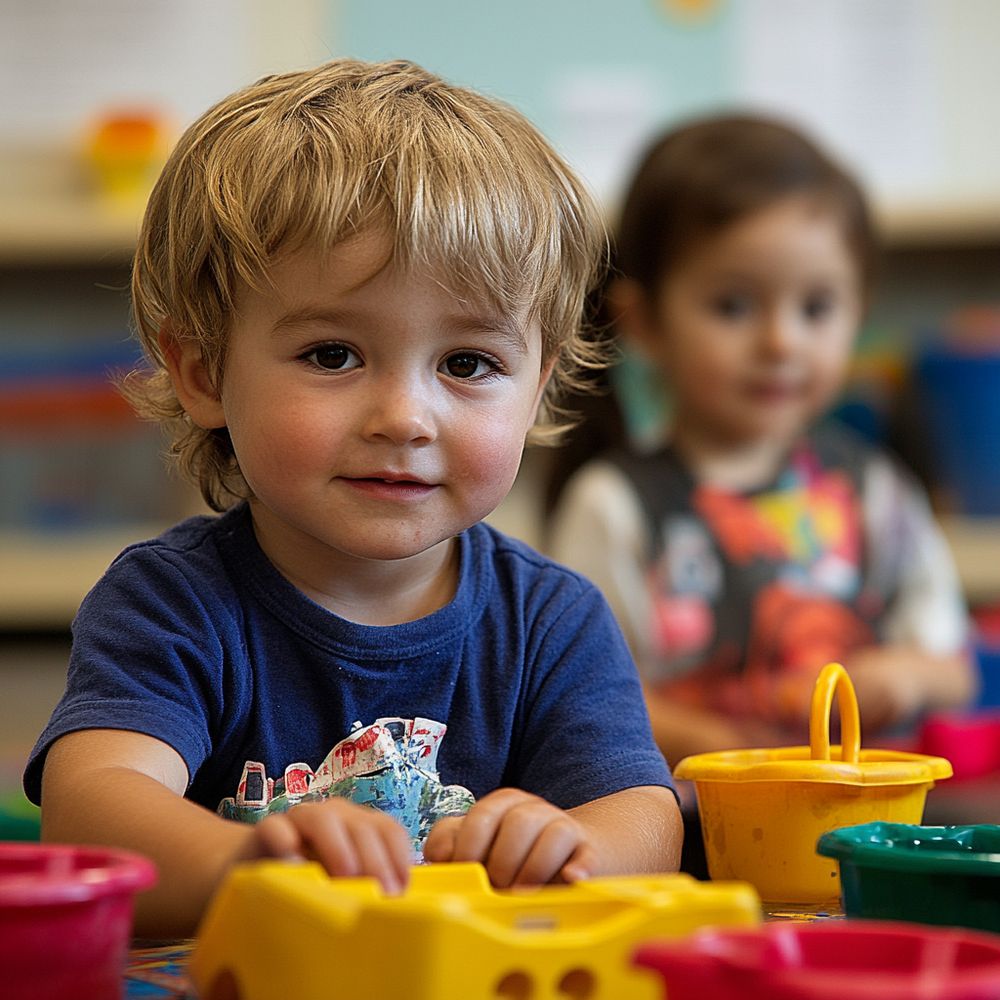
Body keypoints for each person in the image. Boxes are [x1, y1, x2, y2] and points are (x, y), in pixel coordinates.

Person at [23, 59, 682, 938]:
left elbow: (648, 818)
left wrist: (573, 846)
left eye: (468, 364)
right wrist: (250, 867)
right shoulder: (169, 604)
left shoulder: (552, 621)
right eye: (332, 355)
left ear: (536, 389)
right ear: (204, 373)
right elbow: (94, 809)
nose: (405, 418)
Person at [548, 113, 976, 769]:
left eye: (816, 307)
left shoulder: (875, 488)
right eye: (734, 306)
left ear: (858, 313)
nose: (781, 342)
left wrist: (904, 678)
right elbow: (583, 693)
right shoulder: (612, 504)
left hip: (867, 817)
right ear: (645, 321)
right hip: (693, 820)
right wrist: (722, 751)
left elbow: (955, 668)